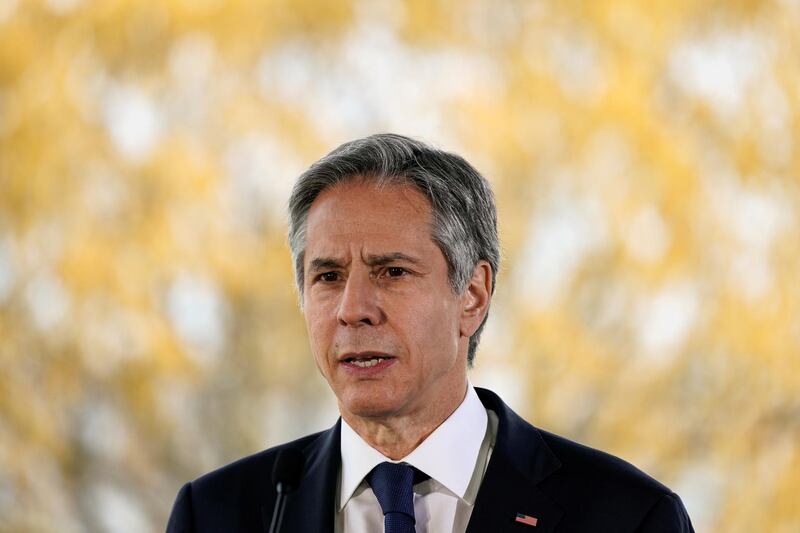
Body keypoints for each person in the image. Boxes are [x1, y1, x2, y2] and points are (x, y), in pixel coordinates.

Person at [166, 134, 695, 532]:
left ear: (473, 295)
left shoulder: (628, 518)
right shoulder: (217, 514)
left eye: (391, 272)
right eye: (327, 277)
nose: (353, 310)